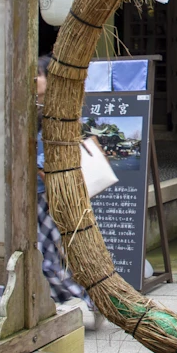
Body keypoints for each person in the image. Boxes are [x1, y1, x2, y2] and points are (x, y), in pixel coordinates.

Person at [34, 55, 99, 329]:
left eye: (37, 75)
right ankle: (70, 303)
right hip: (40, 196)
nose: (33, 80)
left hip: (51, 196)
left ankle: (83, 300)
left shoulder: (57, 112)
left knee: (50, 256)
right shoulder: (35, 109)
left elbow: (48, 162)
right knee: (45, 254)